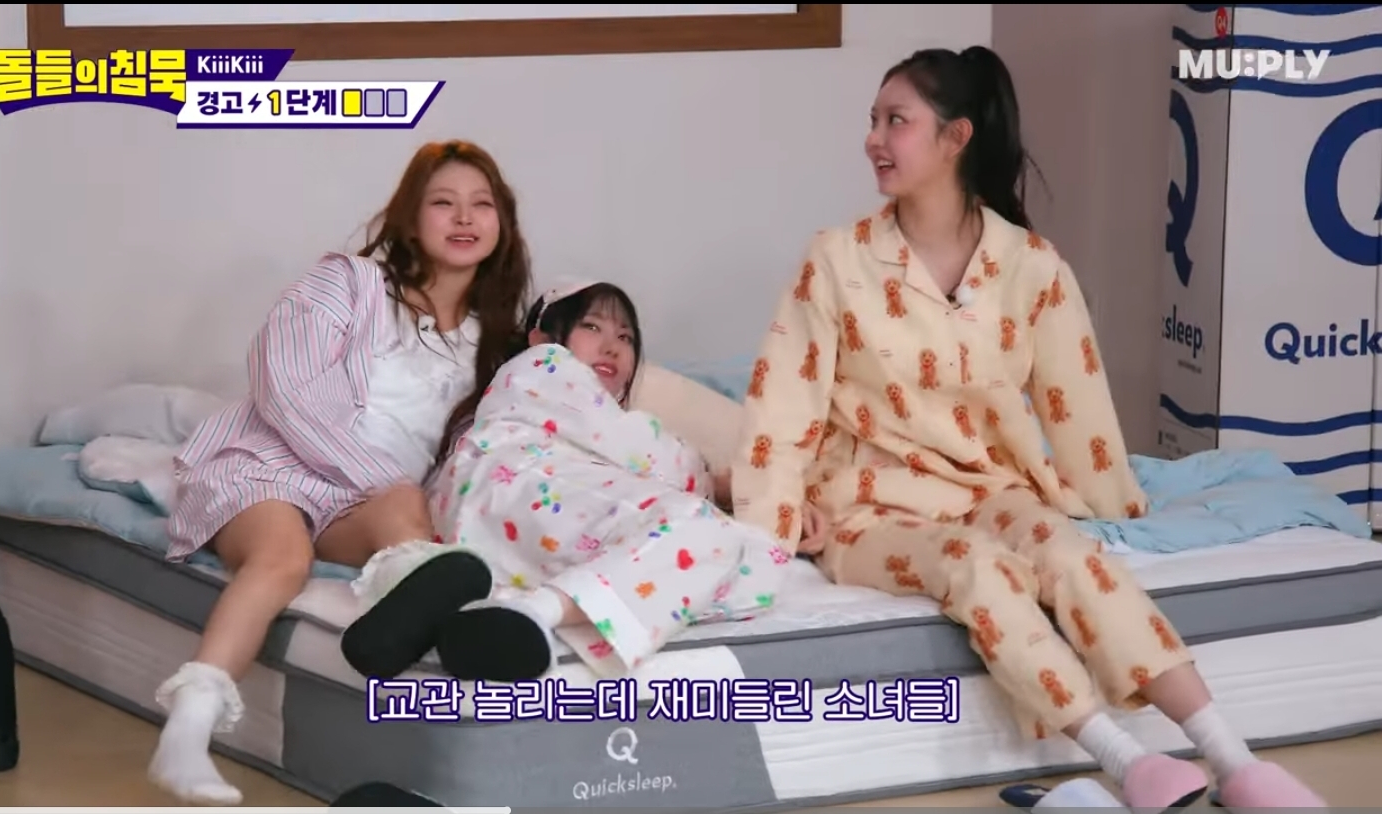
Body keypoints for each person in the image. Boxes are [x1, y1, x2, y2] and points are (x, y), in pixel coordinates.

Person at [729, 46, 1326, 810]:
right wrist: (772, 529)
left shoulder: (1031, 266)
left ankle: (1236, 763)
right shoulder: (836, 260)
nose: (873, 139)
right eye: (872, 121)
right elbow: (782, 403)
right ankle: (1125, 761)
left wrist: (1112, 504)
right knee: (977, 566)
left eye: (895, 121)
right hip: (865, 506)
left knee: (1071, 556)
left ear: (955, 138)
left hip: (987, 489)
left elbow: (1076, 402)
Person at [150, 141, 533, 805]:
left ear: (502, 221)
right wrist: (376, 479)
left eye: (481, 205)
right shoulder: (349, 283)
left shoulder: (494, 343)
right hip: (274, 463)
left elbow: (479, 452)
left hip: (367, 499)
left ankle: (409, 632)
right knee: (283, 558)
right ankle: (187, 730)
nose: (464, 217)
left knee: (411, 522)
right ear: (411, 218)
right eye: (443, 203)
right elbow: (285, 386)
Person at [341, 281, 788, 682]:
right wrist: (712, 481)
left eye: (626, 338)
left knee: (757, 559)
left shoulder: (580, 417)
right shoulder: (545, 365)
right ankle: (535, 612)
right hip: (520, 483)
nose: (612, 346)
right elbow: (647, 452)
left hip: (508, 535)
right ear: (541, 336)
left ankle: (476, 606)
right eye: (592, 327)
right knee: (698, 523)